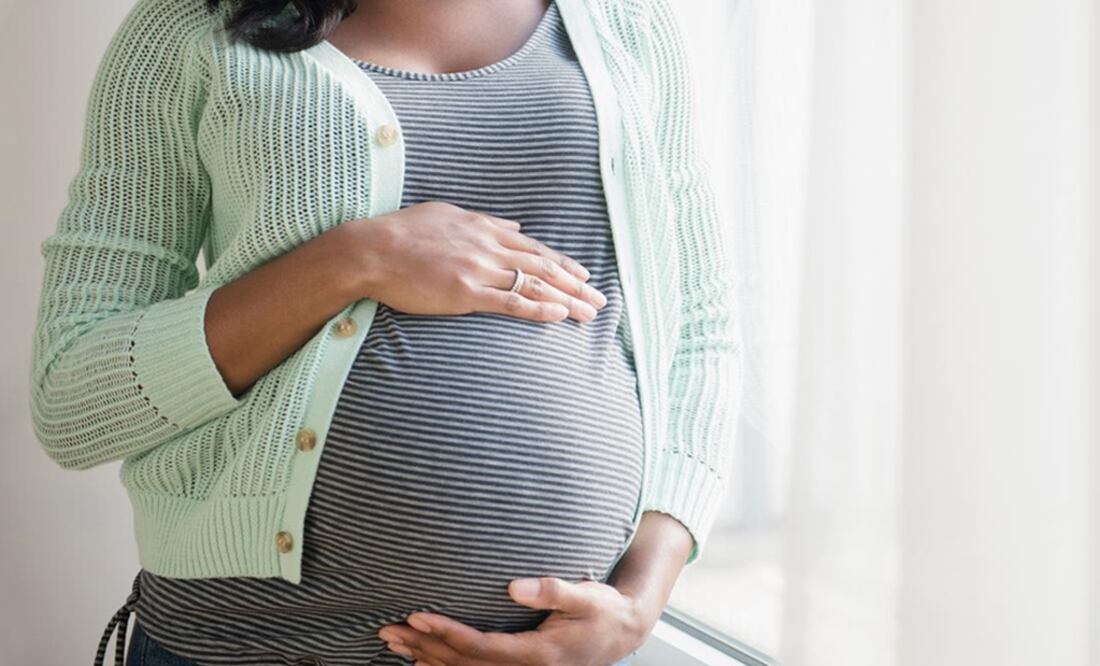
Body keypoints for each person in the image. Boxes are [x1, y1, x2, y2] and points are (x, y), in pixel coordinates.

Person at [29, 0, 741, 664]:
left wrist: (641, 599)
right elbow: (73, 398)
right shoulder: (189, 30)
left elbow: (698, 335)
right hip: (248, 640)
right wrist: (353, 260)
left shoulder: (627, 24)